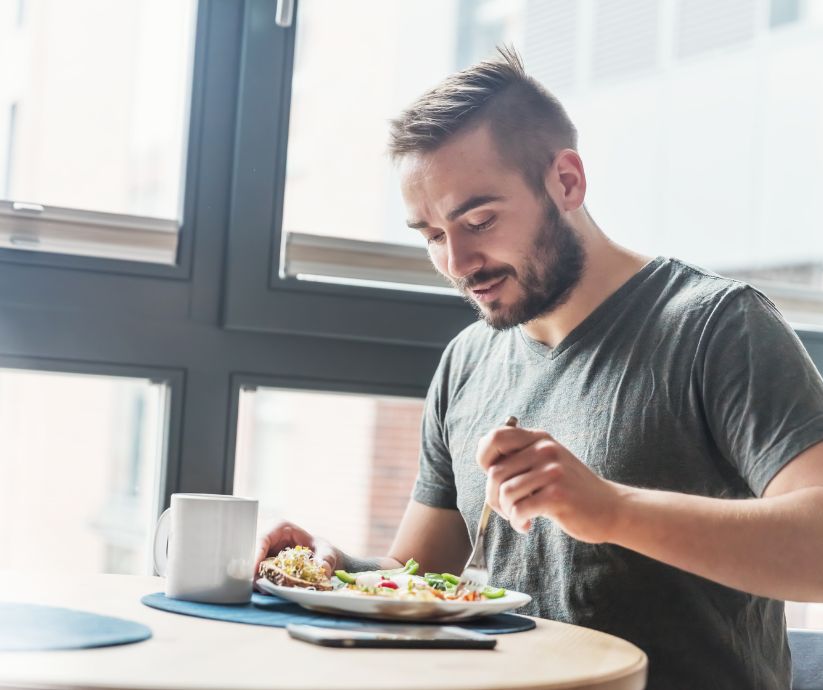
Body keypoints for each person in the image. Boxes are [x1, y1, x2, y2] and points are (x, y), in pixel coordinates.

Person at [255, 48, 823, 689]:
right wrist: (339, 571)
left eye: (480, 220)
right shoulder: (468, 360)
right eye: (433, 235)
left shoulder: (718, 326)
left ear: (567, 182)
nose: (457, 262)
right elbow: (419, 577)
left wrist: (611, 510)